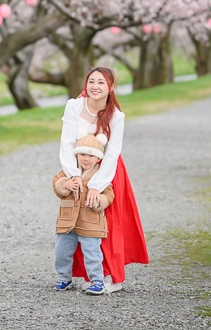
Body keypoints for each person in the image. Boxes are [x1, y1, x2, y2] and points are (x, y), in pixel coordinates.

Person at [57, 66, 148, 294]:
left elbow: (113, 153)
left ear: (111, 87)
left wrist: (97, 187)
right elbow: (67, 143)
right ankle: (90, 275)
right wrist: (73, 175)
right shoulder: (74, 106)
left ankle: (112, 277)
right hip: (79, 168)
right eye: (91, 81)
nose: (95, 87)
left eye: (101, 83)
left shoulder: (116, 116)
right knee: (79, 221)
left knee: (107, 224)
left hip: (108, 171)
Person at [52, 133, 115, 294]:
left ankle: (97, 281)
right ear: (76, 154)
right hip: (68, 221)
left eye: (91, 155)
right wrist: (65, 184)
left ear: (98, 158)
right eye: (82, 154)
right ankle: (64, 278)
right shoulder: (69, 170)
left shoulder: (101, 175)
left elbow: (109, 195)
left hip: (90, 222)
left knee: (92, 253)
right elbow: (56, 184)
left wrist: (98, 201)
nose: (86, 159)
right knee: (62, 252)